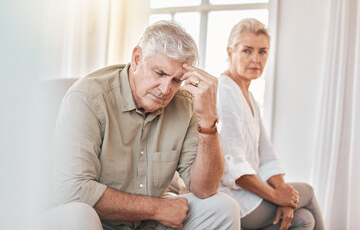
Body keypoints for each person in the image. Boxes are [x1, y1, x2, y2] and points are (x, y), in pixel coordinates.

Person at [40, 20, 240, 230]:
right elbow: (74, 190)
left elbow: (205, 189)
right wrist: (157, 208)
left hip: (145, 223)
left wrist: (209, 119)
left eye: (176, 80)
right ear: (136, 59)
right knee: (79, 215)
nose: (165, 89)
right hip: (84, 220)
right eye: (160, 73)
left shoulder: (184, 104)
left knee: (222, 207)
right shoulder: (88, 97)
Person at [216, 18, 325, 230]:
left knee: (304, 220)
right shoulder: (224, 93)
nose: (256, 59)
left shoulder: (250, 98)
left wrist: (284, 194)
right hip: (234, 201)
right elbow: (234, 168)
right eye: (247, 51)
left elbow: (267, 156)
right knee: (308, 193)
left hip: (253, 195)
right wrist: (276, 196)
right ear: (230, 53)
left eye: (262, 51)